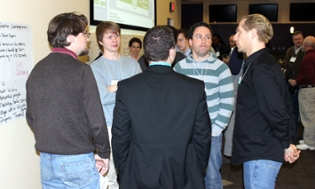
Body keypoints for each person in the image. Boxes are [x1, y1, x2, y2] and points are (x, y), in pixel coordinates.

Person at [112, 25, 212, 189]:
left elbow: (120, 136)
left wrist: (125, 170)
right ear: (172, 51)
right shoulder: (195, 88)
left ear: (146, 54)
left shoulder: (127, 88)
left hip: (139, 171)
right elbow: (202, 136)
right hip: (184, 173)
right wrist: (197, 169)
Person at [26, 12, 110, 188]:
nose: (88, 39)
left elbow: (31, 117)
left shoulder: (37, 70)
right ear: (71, 38)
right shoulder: (81, 70)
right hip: (77, 162)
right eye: (85, 34)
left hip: (47, 161)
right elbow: (96, 120)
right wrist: (103, 153)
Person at [231, 14, 300, 189]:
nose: (235, 37)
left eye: (239, 32)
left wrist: (286, 144)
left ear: (253, 33)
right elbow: (284, 104)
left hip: (261, 151)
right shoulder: (260, 63)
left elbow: (275, 110)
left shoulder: (261, 67)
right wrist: (288, 141)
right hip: (259, 149)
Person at [174, 21, 234, 189]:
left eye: (207, 37)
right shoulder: (179, 68)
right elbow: (176, 102)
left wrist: (215, 131)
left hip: (211, 134)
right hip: (185, 135)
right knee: (185, 176)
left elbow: (228, 102)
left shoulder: (221, 68)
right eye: (199, 37)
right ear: (190, 41)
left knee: (212, 178)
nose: (204, 41)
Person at [89, 21, 142, 189]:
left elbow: (140, 93)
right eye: (109, 36)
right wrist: (126, 86)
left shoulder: (132, 64)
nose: (114, 39)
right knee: (109, 175)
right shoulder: (95, 67)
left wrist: (112, 87)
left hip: (133, 125)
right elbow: (102, 97)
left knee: (134, 170)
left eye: (116, 35)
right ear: (100, 41)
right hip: (109, 127)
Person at [222, 34, 244, 163]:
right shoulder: (237, 51)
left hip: (233, 90)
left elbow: (234, 70)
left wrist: (227, 64)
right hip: (236, 89)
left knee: (231, 123)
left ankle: (228, 153)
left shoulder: (237, 51)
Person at [291, 36, 315, 150]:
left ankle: (309, 142)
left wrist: (296, 81)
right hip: (312, 89)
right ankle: (310, 139)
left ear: (305, 45)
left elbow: (308, 75)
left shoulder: (308, 57)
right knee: (311, 115)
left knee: (308, 116)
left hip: (307, 89)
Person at [284, 31, 305, 130]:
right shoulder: (289, 50)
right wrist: (288, 79)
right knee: (292, 110)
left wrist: (296, 80)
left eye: (299, 39)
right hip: (289, 85)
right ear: (292, 40)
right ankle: (294, 131)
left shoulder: (306, 51)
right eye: (295, 39)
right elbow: (286, 66)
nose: (298, 41)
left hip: (301, 84)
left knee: (304, 111)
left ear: (303, 39)